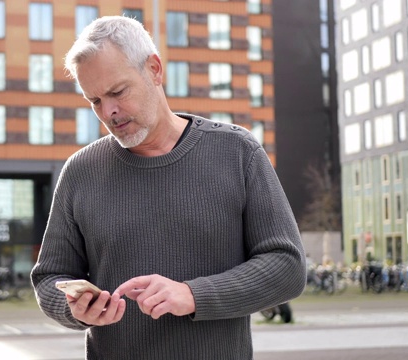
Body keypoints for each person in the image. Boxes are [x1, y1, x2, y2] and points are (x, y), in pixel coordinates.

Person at [30, 15, 306, 360]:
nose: (109, 111)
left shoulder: (238, 153)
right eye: (95, 101)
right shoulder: (81, 172)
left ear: (155, 69)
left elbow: (287, 266)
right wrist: (74, 308)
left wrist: (194, 295)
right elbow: (50, 279)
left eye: (117, 92)